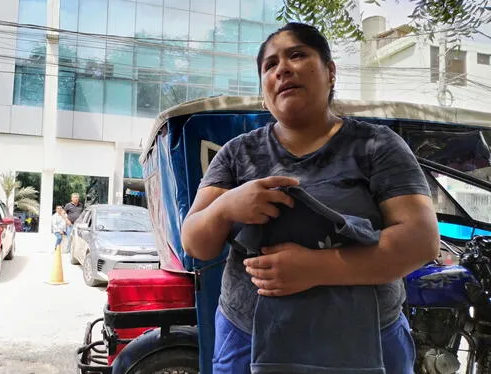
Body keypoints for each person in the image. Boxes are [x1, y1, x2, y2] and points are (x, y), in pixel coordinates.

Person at [180, 22, 440, 374]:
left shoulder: (376, 145)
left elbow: (420, 241)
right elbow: (196, 243)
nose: (282, 68)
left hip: (365, 342)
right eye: (270, 65)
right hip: (247, 340)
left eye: (297, 55)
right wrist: (226, 208)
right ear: (263, 90)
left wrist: (313, 268)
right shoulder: (237, 154)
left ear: (331, 72)